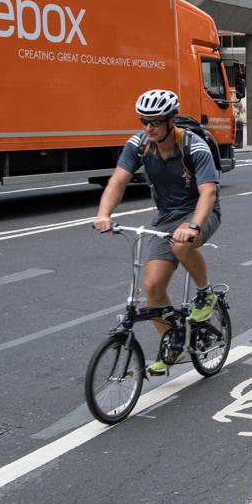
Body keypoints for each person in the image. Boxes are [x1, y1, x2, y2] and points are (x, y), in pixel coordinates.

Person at [93, 89, 222, 375]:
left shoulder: (194, 147)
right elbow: (118, 180)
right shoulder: (139, 144)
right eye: (144, 121)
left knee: (181, 244)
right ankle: (172, 341)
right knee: (152, 288)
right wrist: (104, 214)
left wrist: (194, 226)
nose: (148, 127)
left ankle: (205, 293)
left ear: (171, 121)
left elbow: (209, 193)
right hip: (165, 217)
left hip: (201, 212)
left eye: (154, 122)